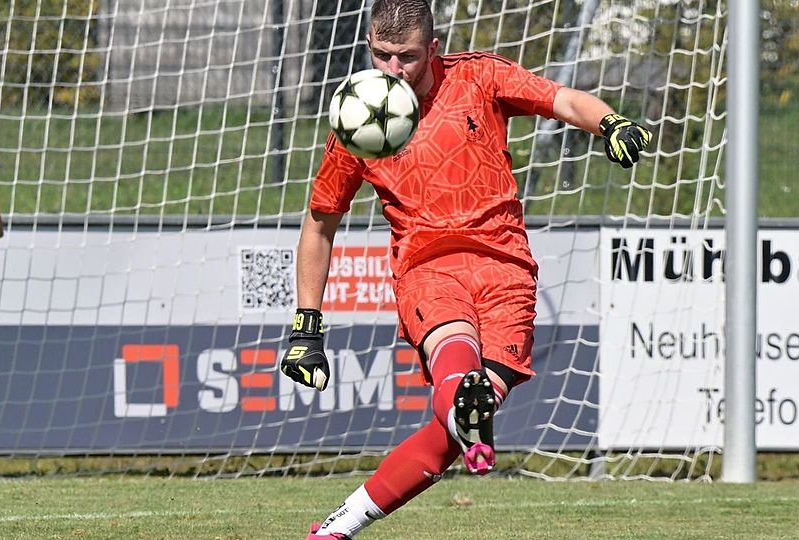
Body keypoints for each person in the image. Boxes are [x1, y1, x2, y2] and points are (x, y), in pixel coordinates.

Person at [279, 0, 652, 537]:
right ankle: (460, 407)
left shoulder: (478, 76)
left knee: (458, 423)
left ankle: (333, 529)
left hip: (507, 269)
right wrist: (306, 328)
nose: (391, 70)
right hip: (428, 266)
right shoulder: (359, 118)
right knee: (457, 364)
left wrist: (609, 123)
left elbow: (562, 98)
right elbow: (318, 227)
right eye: (380, 55)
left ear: (432, 50)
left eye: (405, 57)